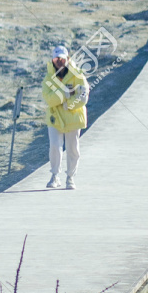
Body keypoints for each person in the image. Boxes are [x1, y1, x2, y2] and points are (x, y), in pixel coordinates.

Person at [41, 45, 89, 189]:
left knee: (73, 148)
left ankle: (70, 177)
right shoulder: (48, 78)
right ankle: (55, 176)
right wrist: (65, 94)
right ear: (52, 60)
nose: (59, 61)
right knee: (55, 146)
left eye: (62, 58)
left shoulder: (78, 75)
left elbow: (83, 96)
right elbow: (49, 99)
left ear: (67, 59)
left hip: (73, 117)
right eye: (56, 59)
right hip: (55, 118)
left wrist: (68, 104)